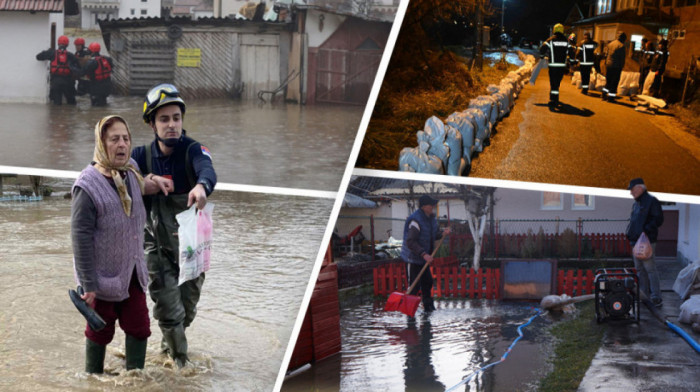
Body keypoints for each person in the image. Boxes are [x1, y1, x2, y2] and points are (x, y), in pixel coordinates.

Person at [71, 115, 174, 373]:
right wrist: (88, 284)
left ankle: (135, 381)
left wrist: (155, 182)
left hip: (132, 273)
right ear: (101, 143)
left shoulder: (131, 171)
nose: (122, 145)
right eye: (114, 139)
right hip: (101, 279)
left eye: (126, 139)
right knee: (99, 333)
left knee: (140, 328)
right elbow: (80, 239)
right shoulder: (87, 186)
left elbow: (140, 187)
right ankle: (92, 379)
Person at [131, 83, 217, 367]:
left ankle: (167, 351)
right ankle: (181, 367)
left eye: (176, 118)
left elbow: (207, 170)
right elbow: (113, 178)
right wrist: (145, 183)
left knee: (186, 311)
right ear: (152, 125)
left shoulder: (194, 150)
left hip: (192, 246)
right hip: (155, 245)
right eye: (164, 119)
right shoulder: (140, 157)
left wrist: (202, 187)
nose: (172, 125)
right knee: (169, 310)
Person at [399, 195, 451, 313]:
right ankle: (409, 313)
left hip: (424, 258)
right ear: (423, 206)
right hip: (413, 257)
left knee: (427, 282)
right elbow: (411, 241)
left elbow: (434, 234)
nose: (433, 206)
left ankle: (428, 308)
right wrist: (424, 254)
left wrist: (443, 233)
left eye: (434, 204)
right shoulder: (415, 220)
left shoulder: (431, 219)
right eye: (431, 204)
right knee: (414, 286)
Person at [625, 178, 664, 307]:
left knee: (650, 269)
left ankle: (656, 297)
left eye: (632, 189)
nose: (631, 192)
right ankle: (643, 296)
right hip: (635, 242)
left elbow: (658, 219)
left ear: (640, 188)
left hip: (646, 241)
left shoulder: (652, 201)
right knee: (640, 270)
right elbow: (634, 221)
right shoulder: (636, 203)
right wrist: (630, 234)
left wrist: (645, 231)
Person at [35, 35, 78, 105]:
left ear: (58, 43)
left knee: (57, 104)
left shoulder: (52, 53)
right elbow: (77, 67)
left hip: (56, 81)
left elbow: (38, 57)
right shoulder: (70, 55)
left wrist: (47, 51)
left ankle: (56, 115)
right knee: (72, 103)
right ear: (67, 44)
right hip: (68, 81)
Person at [539, 23, 573, 106]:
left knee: (553, 82)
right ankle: (555, 98)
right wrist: (572, 61)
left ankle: (554, 100)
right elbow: (571, 52)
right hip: (562, 66)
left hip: (553, 65)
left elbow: (542, 48)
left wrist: (542, 56)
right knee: (557, 82)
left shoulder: (551, 39)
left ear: (554, 30)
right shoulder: (566, 41)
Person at [79, 42, 113, 106]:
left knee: (96, 106)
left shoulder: (91, 62)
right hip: (107, 87)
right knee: (103, 103)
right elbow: (111, 68)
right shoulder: (107, 59)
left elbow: (82, 73)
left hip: (96, 88)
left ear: (91, 51)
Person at [602, 31, 626, 102]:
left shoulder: (610, 44)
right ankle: (611, 98)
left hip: (608, 65)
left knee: (608, 81)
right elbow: (622, 58)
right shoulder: (621, 46)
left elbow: (606, 54)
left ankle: (603, 95)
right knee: (614, 82)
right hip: (616, 66)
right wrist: (622, 66)